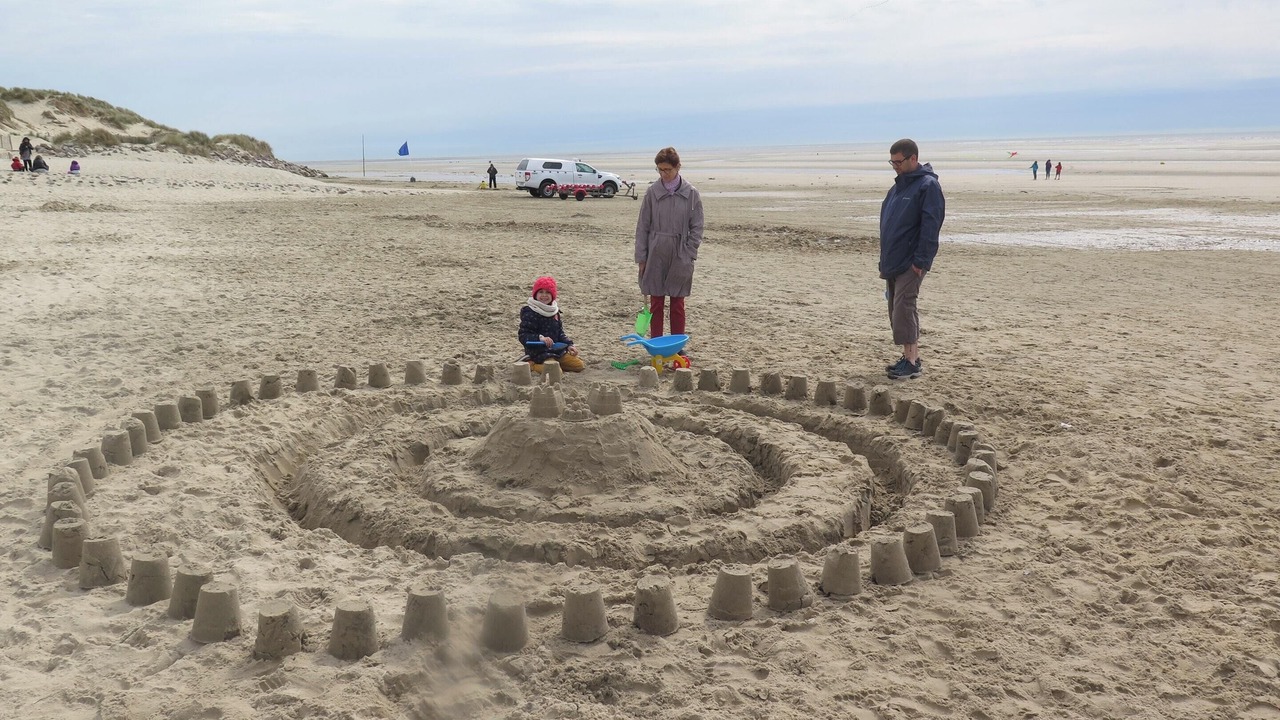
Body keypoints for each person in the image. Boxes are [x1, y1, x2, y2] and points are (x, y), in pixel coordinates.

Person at [880, 138, 944, 380]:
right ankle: (909, 356)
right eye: (892, 162)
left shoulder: (928, 186)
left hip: (911, 261)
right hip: (894, 260)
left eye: (898, 161)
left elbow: (931, 226)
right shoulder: (897, 189)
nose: (895, 166)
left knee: (904, 307)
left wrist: (921, 261)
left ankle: (912, 361)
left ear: (913, 159)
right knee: (896, 308)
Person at [635, 146, 704, 343]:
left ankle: (676, 345)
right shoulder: (652, 193)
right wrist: (642, 257)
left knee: (677, 302)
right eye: (660, 170)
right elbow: (642, 227)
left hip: (681, 252)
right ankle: (656, 343)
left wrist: (690, 251)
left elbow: (697, 225)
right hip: (655, 252)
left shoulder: (691, 194)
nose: (664, 174)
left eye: (668, 170)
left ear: (678, 167)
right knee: (656, 301)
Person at [518, 275, 585, 372]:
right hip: (539, 352)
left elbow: (560, 332)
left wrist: (569, 344)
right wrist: (540, 338)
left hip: (557, 351)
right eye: (541, 292)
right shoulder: (530, 312)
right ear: (535, 294)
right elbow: (523, 335)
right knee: (555, 372)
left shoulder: (554, 311)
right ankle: (530, 365)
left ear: (552, 295)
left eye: (548, 292)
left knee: (579, 365)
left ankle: (554, 365)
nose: (544, 295)